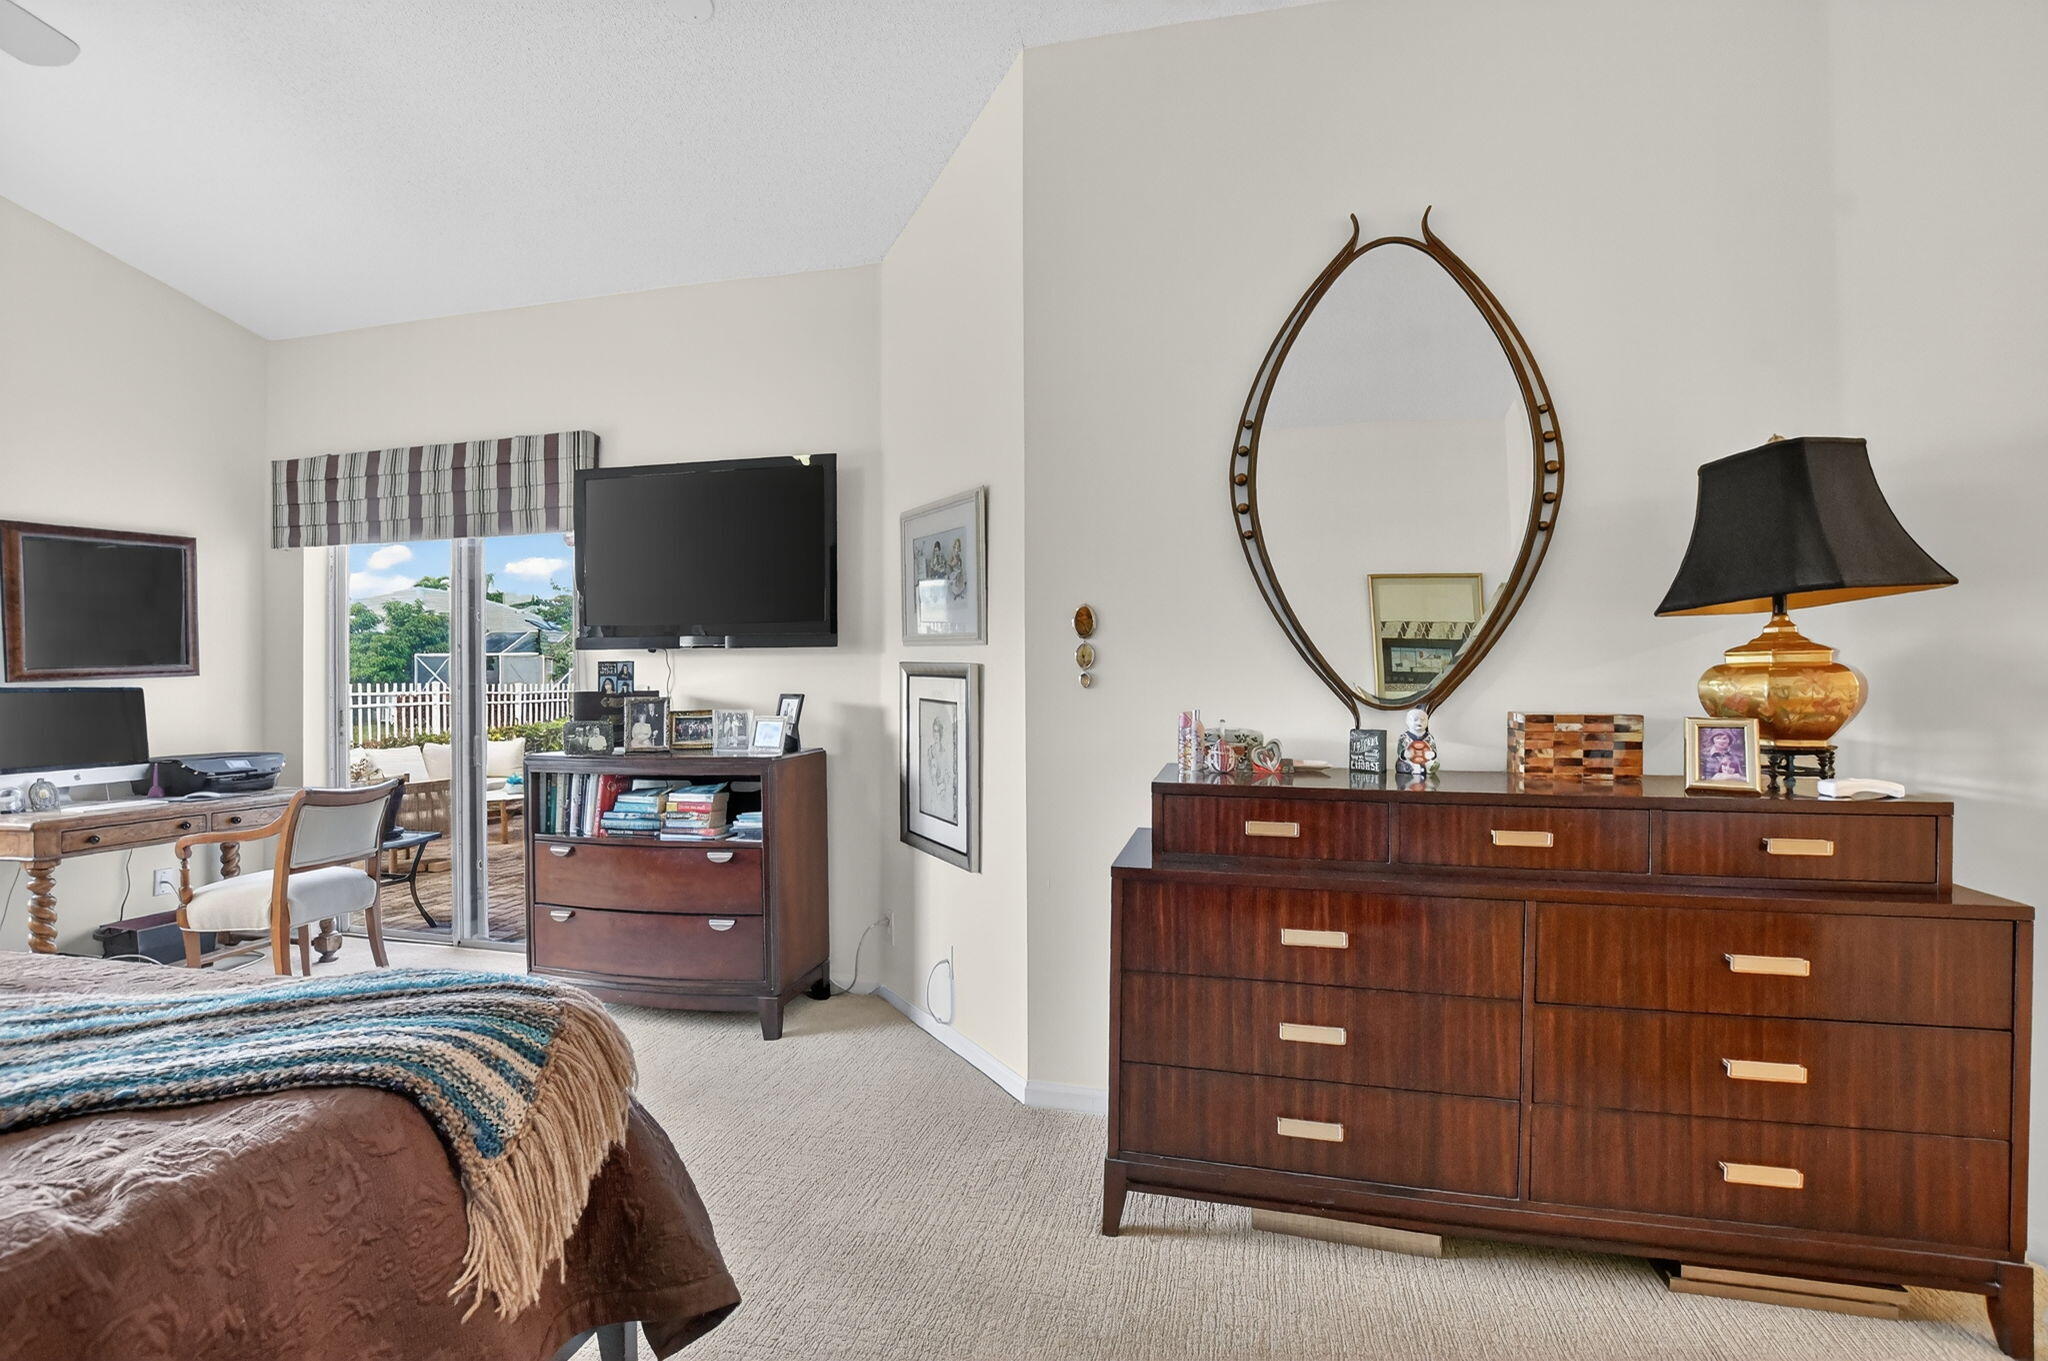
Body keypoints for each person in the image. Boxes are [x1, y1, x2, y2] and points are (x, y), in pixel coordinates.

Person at [1395, 706, 1438, 778]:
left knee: (1435, 764)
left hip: (1425, 760)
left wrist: (1432, 754)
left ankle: (1422, 769)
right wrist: (1404, 753)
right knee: (1401, 764)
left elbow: (1433, 747)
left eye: (1422, 720)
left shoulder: (1429, 737)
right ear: (1407, 721)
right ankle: (1415, 769)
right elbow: (1400, 749)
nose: (1419, 722)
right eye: (1415, 720)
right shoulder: (1404, 737)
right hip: (1409, 761)